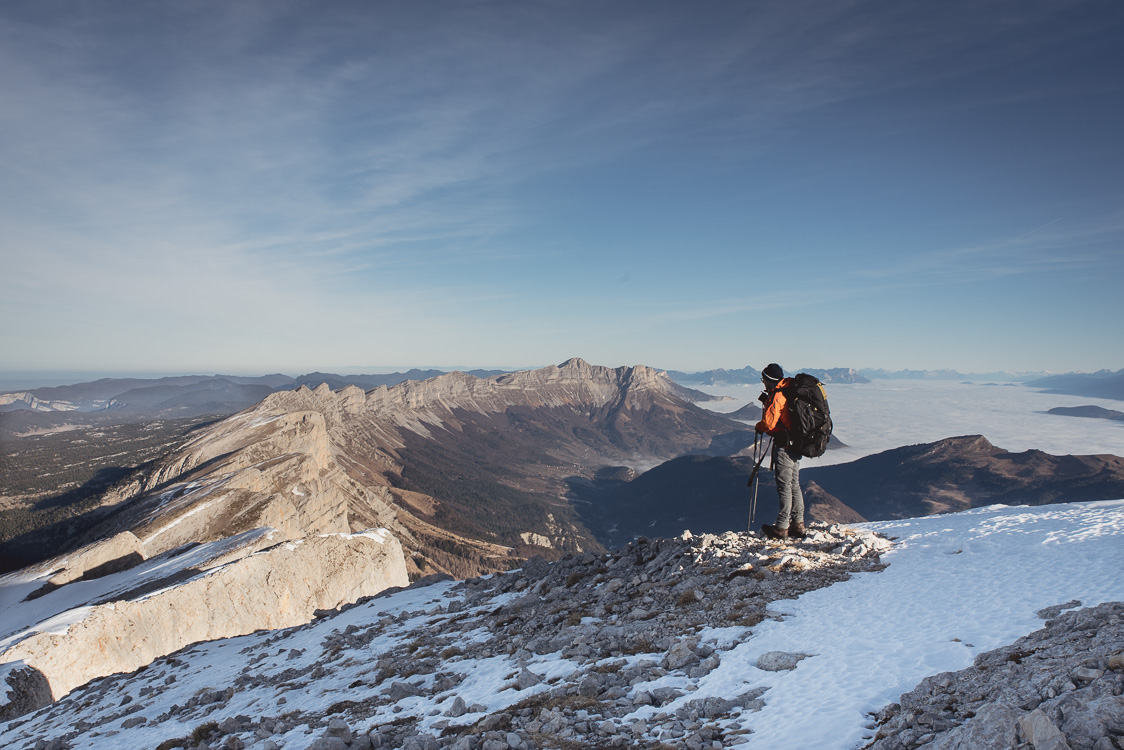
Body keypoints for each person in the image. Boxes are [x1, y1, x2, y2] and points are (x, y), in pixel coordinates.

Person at [754, 363, 806, 539]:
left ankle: (782, 527)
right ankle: (798, 525)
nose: (763, 383)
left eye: (764, 380)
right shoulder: (789, 390)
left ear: (769, 380)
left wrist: (759, 426)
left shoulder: (778, 395)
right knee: (794, 484)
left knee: (784, 486)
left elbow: (769, 423)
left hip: (784, 445)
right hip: (797, 444)